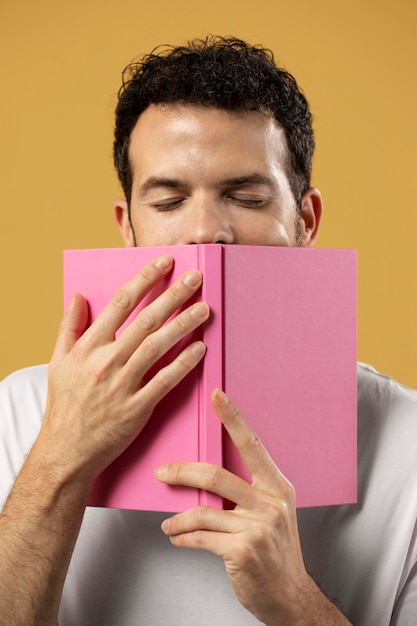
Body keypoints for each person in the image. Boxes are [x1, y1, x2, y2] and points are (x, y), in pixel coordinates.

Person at [0, 36, 416, 626]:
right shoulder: (18, 411)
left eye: (245, 197)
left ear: (305, 221)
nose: (205, 232)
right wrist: (59, 462)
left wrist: (296, 602)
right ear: (128, 229)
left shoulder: (408, 441)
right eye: (168, 202)